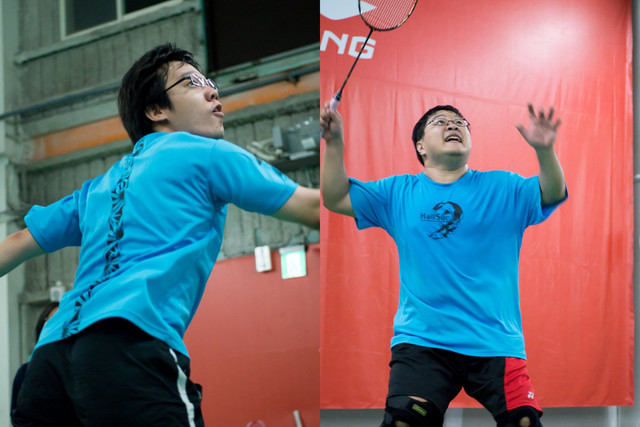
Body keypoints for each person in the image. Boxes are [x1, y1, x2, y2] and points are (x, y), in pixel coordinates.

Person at [3, 43, 320, 427]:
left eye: (210, 83)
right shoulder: (205, 153)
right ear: (156, 110)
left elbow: (17, 243)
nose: (212, 92)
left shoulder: (97, 188)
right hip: (128, 343)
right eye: (192, 83)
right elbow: (314, 209)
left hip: (49, 357)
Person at [320, 102, 567, 427]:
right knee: (405, 420)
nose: (453, 125)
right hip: (424, 341)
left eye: (460, 122)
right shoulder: (397, 193)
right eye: (440, 122)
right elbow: (335, 197)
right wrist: (334, 142)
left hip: (493, 340)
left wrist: (545, 151)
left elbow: (551, 193)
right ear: (420, 146)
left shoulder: (503, 187)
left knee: (523, 421)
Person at [10, 301, 59, 415]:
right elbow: (17, 416)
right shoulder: (25, 372)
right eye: (52, 319)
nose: (57, 324)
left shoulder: (78, 370)